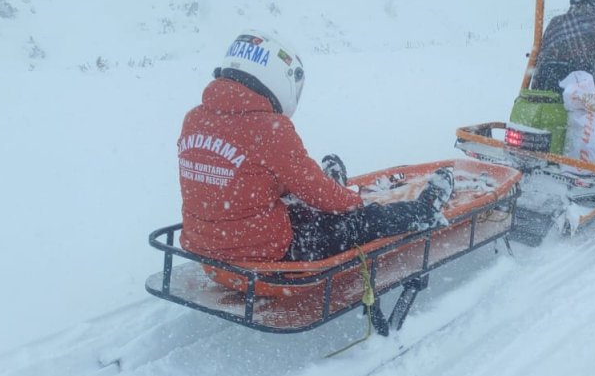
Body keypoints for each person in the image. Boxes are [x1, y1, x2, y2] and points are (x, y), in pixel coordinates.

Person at [178, 30, 454, 264]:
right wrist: (357, 204)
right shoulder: (268, 128)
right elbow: (320, 194)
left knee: (301, 202)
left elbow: (248, 178)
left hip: (207, 251)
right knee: (360, 223)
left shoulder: (194, 118)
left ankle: (331, 185)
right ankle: (425, 210)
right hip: (265, 256)